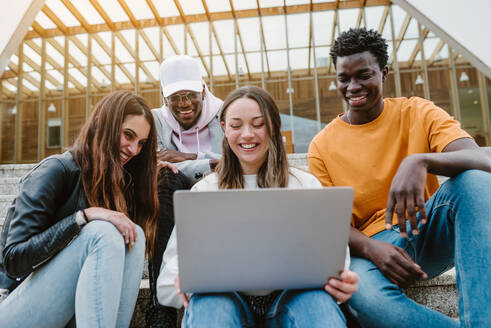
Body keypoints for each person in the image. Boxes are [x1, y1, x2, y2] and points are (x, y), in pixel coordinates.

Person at [308, 28, 491, 328]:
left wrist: (420, 160)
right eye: (344, 78)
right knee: (362, 295)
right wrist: (369, 248)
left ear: (384, 73)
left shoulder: (417, 111)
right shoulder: (322, 145)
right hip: (371, 248)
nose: (353, 86)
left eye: (364, 75)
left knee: (476, 182)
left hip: (428, 230)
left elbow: (479, 161)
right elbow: (327, 223)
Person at [157, 86, 359, 328]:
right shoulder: (204, 191)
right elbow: (166, 285)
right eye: (236, 125)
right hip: (225, 300)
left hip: (295, 297)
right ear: (224, 129)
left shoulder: (306, 185)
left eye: (258, 124)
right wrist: (180, 280)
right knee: (210, 311)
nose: (247, 134)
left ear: (273, 126)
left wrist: (342, 282)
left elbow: (336, 262)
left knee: (319, 309)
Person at [0, 90, 159, 327]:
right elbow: (14, 260)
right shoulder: (56, 170)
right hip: (14, 303)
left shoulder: (115, 183)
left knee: (133, 237)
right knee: (102, 233)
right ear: (105, 125)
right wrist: (83, 217)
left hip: (67, 312)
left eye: (141, 144)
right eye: (128, 135)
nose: (134, 150)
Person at [147, 55, 224, 327]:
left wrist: (187, 157)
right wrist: (205, 162)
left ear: (203, 89)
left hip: (217, 190)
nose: (184, 104)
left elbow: (229, 163)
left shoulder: (224, 112)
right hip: (170, 191)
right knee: (164, 177)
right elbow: (154, 161)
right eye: (175, 97)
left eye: (190, 94)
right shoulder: (155, 118)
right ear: (163, 97)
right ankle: (160, 308)